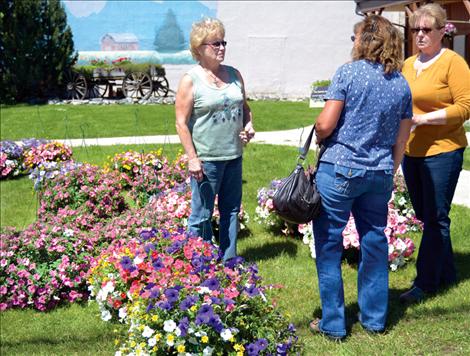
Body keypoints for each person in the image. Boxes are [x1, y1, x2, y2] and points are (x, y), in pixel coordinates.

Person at [309, 15, 413, 340]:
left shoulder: (347, 73)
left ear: (364, 39)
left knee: (328, 244)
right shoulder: (400, 83)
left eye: (354, 37)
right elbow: (402, 137)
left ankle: (334, 323)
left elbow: (326, 125)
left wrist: (318, 127)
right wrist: (391, 168)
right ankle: (374, 319)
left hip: (340, 169)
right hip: (379, 172)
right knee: (374, 241)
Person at [399, 3, 470, 304]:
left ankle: (425, 283)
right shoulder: (408, 64)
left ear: (443, 31)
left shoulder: (453, 63)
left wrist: (425, 119)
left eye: (427, 29)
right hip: (411, 151)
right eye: (416, 29)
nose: (420, 35)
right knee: (426, 215)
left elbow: (465, 107)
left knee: (436, 216)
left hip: (443, 150)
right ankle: (448, 273)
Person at [175, 18, 255, 261]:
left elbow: (245, 108)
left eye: (224, 42)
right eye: (215, 43)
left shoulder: (234, 75)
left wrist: (249, 125)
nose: (222, 47)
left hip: (233, 155)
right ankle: (197, 264)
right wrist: (192, 158)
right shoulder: (191, 80)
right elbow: (181, 122)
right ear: (200, 48)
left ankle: (229, 262)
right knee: (201, 214)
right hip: (206, 159)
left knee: (231, 210)